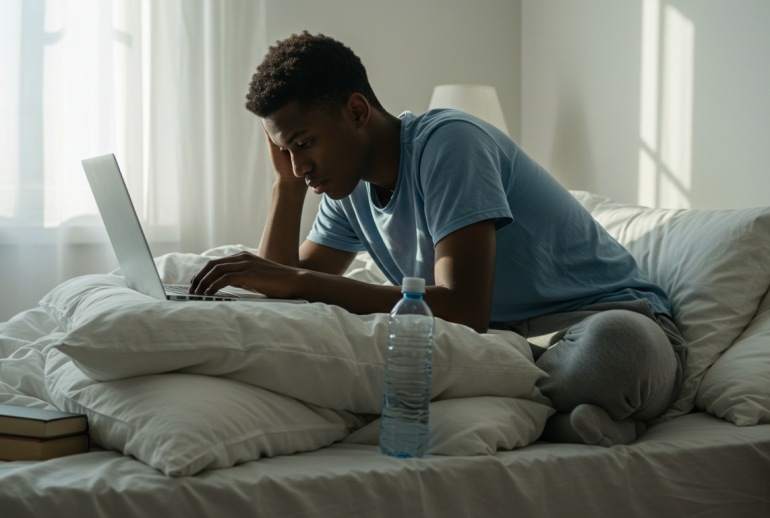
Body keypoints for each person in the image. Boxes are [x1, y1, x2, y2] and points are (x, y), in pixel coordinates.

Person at [189, 31, 687, 447]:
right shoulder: (346, 188)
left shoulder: (449, 143)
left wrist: (296, 280)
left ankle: (553, 415)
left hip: (603, 325)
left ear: (357, 111)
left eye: (304, 145)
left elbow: (463, 308)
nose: (300, 165)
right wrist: (287, 186)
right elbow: (287, 295)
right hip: (504, 348)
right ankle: (564, 421)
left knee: (618, 350)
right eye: (284, 151)